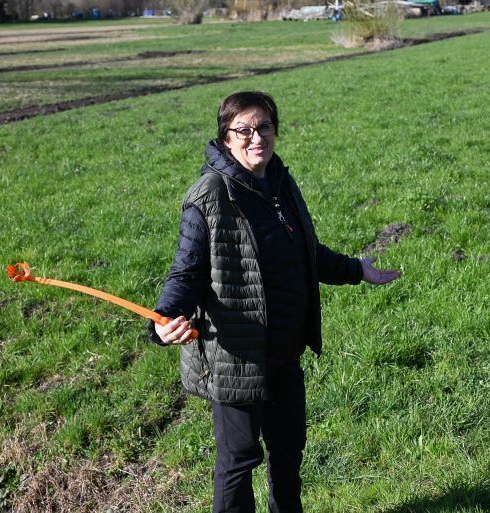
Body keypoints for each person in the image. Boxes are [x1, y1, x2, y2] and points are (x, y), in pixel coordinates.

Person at [147, 91, 401, 513]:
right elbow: (184, 273)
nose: (256, 137)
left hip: (284, 350)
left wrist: (357, 270)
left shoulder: (280, 182)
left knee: (288, 453)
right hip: (236, 355)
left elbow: (306, 252)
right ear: (225, 138)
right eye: (243, 130)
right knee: (238, 460)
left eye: (264, 126)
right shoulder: (208, 196)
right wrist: (165, 319)